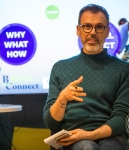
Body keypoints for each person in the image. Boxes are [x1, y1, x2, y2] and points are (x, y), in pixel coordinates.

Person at [43, 4, 129, 150]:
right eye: (87, 26)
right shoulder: (60, 67)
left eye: (99, 27)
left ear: (108, 32)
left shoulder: (123, 69)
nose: (92, 32)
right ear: (78, 30)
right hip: (71, 136)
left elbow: (121, 119)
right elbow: (51, 124)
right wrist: (62, 98)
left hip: (111, 137)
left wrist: (88, 135)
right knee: (86, 148)